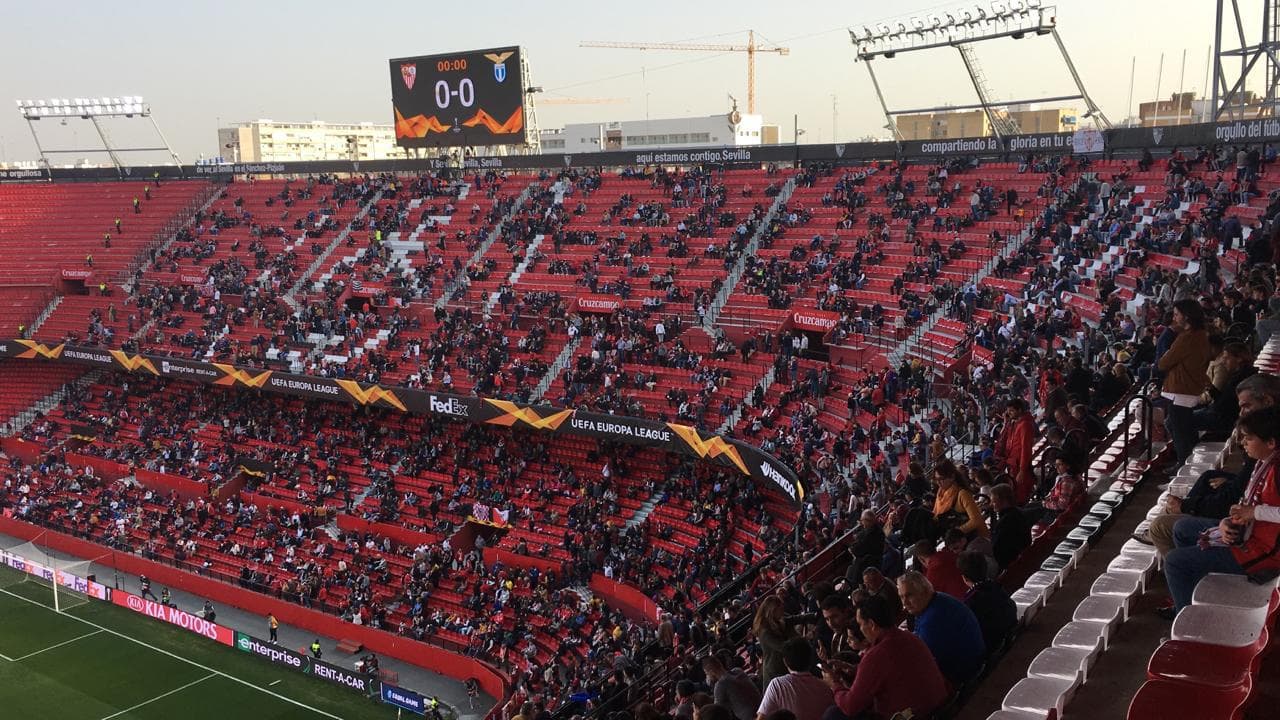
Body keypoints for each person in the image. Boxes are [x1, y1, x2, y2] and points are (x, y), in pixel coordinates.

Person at [1164, 407, 1280, 612]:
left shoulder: (1276, 469)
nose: (1242, 444)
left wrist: (1254, 512)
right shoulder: (1264, 462)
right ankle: (1193, 598)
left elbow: (1257, 510)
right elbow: (1250, 506)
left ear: (1270, 443)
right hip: (1252, 534)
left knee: (1175, 562)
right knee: (1182, 528)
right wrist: (1228, 522)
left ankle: (1187, 621)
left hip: (1266, 553)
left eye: (1248, 439)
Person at [824, 595, 948, 720]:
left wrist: (834, 684)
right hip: (940, 708)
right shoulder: (909, 637)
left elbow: (850, 706)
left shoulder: (876, 655)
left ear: (872, 624)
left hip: (917, 715)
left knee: (833, 714)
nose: (860, 629)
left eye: (860, 624)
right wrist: (855, 669)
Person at [897, 571, 985, 685]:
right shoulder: (937, 599)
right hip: (975, 661)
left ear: (924, 591)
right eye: (901, 597)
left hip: (966, 675)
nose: (905, 602)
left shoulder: (932, 621)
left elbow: (923, 662)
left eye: (909, 595)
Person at [1159, 299, 1215, 462]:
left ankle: (1184, 466)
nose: (1174, 318)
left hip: (1181, 390)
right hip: (1189, 388)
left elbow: (1163, 363)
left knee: (1181, 434)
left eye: (1177, 315)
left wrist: (1167, 352)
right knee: (1178, 426)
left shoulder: (1187, 338)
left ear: (1187, 316)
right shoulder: (1201, 335)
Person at [755, 637, 833, 720]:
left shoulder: (777, 685)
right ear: (810, 659)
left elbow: (761, 718)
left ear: (785, 662)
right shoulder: (825, 687)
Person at [958, 551, 1018, 652]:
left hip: (992, 648)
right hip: (1009, 637)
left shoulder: (969, 603)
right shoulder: (997, 587)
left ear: (964, 578)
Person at [997, 398, 1036, 503]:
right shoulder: (1014, 423)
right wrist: (1006, 423)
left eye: (1011, 411)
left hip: (1018, 465)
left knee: (1020, 494)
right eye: (1008, 411)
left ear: (1019, 410)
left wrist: (1022, 470)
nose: (1009, 414)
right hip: (1012, 463)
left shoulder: (1025, 425)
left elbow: (1025, 448)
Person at [752, 596, 797, 686]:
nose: (782, 611)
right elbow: (782, 647)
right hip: (774, 671)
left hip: (782, 666)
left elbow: (794, 619)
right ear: (772, 611)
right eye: (780, 609)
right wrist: (802, 640)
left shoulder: (776, 621)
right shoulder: (765, 631)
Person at [703, 654, 761, 720]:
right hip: (764, 708)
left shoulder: (720, 685)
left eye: (706, 674)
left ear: (711, 672)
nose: (707, 677)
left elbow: (714, 713)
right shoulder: (738, 670)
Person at [988, 483, 1031, 569]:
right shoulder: (1017, 513)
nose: (991, 504)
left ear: (1004, 501)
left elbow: (996, 550)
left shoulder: (1006, 521)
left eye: (993, 501)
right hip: (1019, 557)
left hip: (1008, 564)